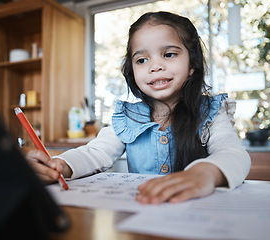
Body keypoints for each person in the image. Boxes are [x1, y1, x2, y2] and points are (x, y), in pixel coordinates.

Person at [26, 11, 251, 204]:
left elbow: (233, 154)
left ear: (192, 64)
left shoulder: (211, 112)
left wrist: (206, 174)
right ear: (131, 70)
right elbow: (95, 153)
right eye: (141, 60)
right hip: (145, 211)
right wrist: (62, 165)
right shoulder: (128, 117)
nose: (155, 66)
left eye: (169, 54)